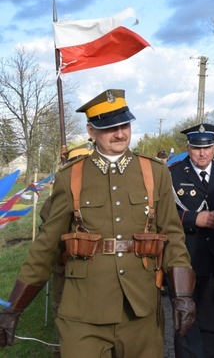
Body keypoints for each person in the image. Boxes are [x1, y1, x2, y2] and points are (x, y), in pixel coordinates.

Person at [0, 89, 195, 357]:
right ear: (91, 131)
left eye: (124, 125)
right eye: (109, 128)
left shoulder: (155, 171)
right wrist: (13, 308)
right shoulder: (71, 176)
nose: (120, 134)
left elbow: (172, 236)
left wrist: (183, 294)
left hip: (140, 310)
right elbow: (46, 247)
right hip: (83, 311)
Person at [169, 123, 214, 358]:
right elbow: (160, 216)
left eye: (207, 147)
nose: (202, 153)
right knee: (186, 322)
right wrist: (194, 219)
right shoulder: (172, 174)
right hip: (184, 260)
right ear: (188, 148)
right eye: (197, 148)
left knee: (212, 324)